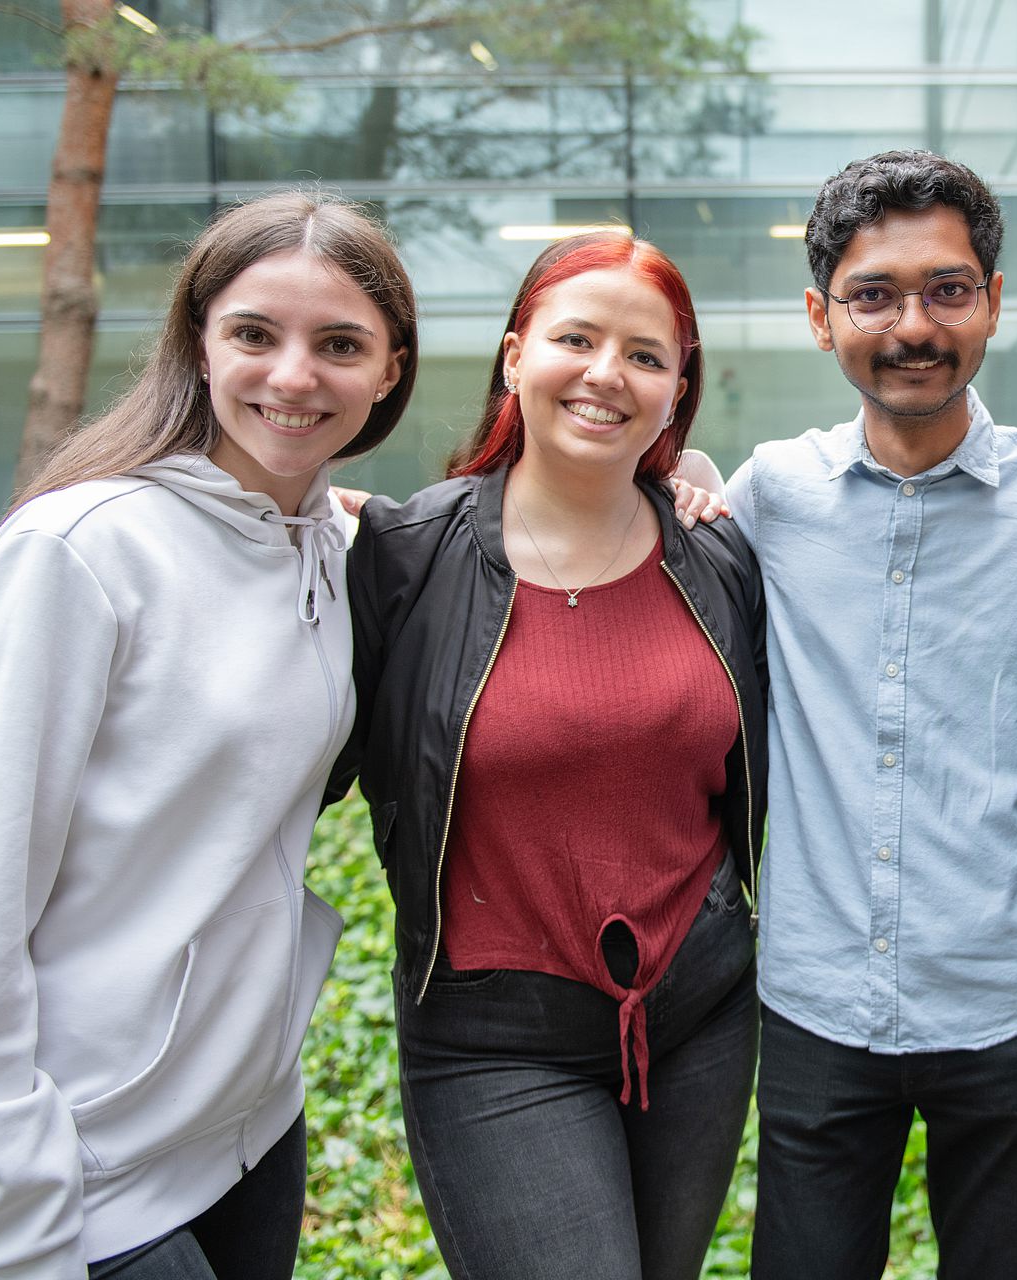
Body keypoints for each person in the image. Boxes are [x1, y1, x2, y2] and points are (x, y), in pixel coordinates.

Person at [674, 150, 1017, 1280]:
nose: (913, 326)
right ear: (822, 316)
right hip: (816, 994)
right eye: (873, 295)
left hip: (1008, 994)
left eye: (947, 289)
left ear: (993, 302)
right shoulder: (771, 495)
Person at [0, 191, 415, 1279]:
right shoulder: (79, 551)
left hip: (251, 1129)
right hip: (85, 1165)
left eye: (340, 344)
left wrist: (683, 480)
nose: (293, 376)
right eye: (255, 334)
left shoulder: (335, 545)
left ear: (389, 370)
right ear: (198, 342)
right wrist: (12, 1209)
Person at [331, 230, 764, 1280]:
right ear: (516, 354)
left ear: (677, 390)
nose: (607, 373)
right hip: (494, 1039)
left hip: (701, 1013)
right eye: (577, 338)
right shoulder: (400, 554)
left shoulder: (718, 551)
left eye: (645, 355)